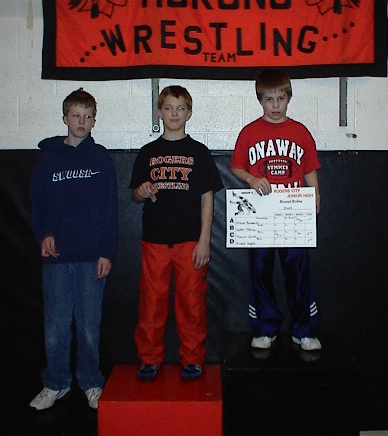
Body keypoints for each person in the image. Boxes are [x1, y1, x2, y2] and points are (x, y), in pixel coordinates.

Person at [29, 88, 118, 410]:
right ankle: (55, 383)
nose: (81, 121)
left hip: (91, 256)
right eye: (76, 115)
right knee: (56, 326)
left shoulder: (101, 158)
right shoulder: (49, 158)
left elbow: (110, 209)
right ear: (65, 118)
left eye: (88, 116)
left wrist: (107, 251)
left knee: (89, 326)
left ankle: (91, 382)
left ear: (94, 121)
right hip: (57, 257)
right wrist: (44, 235)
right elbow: (38, 204)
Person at [130, 85, 223, 382]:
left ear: (189, 113)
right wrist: (142, 191)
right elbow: (135, 195)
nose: (174, 113)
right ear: (159, 112)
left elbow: (208, 198)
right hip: (155, 241)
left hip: (190, 242)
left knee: (191, 305)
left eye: (180, 108)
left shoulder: (199, 152)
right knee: (151, 304)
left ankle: (193, 358)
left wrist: (204, 241)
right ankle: (149, 358)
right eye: (169, 108)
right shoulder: (148, 152)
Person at [229, 69, 322, 351]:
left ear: (289, 98)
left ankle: (303, 330)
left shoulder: (300, 132)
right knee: (261, 271)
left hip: (293, 211)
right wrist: (251, 178)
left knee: (298, 272)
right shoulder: (250, 132)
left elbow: (310, 168)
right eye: (269, 99)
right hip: (261, 213)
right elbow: (236, 166)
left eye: (280, 98)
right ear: (260, 100)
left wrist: (316, 194)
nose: (275, 105)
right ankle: (265, 328)